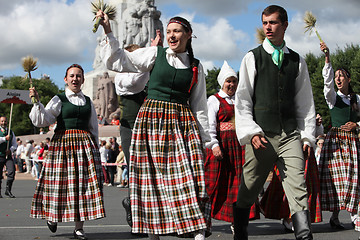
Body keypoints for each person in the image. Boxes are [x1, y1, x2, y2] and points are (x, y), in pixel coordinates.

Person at [98, 11, 212, 240]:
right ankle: (154, 233)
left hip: (182, 125)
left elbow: (199, 106)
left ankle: (197, 228)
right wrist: (108, 30)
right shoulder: (154, 54)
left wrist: (205, 138)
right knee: (150, 179)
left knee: (186, 176)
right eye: (169, 31)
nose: (172, 35)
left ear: (189, 35)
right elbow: (120, 60)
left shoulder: (196, 67)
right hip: (151, 123)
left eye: (177, 31)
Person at [234, 5, 316, 240]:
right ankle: (240, 231)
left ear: (285, 25)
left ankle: (304, 235)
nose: (267, 27)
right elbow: (242, 100)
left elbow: (305, 103)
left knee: (297, 186)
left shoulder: (297, 61)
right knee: (249, 187)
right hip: (262, 135)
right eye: (265, 22)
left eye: (273, 22)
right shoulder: (252, 57)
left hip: (290, 134)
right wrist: (251, 132)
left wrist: (307, 135)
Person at [29, 64, 105, 240]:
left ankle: (79, 228)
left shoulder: (88, 101)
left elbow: (93, 127)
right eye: (72, 76)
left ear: (83, 80)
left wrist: (95, 150)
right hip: (62, 146)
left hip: (84, 147)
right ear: (65, 79)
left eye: (78, 76)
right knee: (58, 184)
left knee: (82, 187)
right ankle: (52, 216)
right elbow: (43, 119)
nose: (75, 79)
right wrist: (37, 102)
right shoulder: (58, 98)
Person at [204, 61, 259, 233]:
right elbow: (209, 125)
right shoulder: (214, 100)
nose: (231, 84)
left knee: (241, 184)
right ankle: (204, 220)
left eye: (234, 81)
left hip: (240, 147)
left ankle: (238, 221)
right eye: (228, 81)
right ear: (222, 82)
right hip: (222, 148)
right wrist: (214, 144)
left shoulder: (241, 100)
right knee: (213, 185)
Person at [318, 42, 360, 232]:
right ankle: (334, 217)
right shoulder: (332, 98)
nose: (338, 78)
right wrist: (327, 59)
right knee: (336, 180)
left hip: (351, 143)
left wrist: (356, 125)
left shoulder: (357, 99)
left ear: (349, 79)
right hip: (335, 144)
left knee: (353, 178)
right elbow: (326, 83)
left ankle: (355, 216)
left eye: (341, 75)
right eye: (336, 76)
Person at [0, 115, 17, 198]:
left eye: (5, 121)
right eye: (2, 121)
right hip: (0, 155)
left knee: (11, 171)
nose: (4, 123)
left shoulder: (10, 132)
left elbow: (15, 144)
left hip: (8, 155)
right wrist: (4, 139)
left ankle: (8, 190)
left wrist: (10, 150)